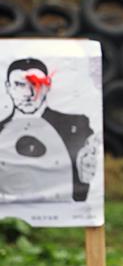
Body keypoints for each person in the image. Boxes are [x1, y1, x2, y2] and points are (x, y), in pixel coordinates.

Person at [0, 58, 98, 202]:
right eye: (20, 85)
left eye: (36, 84)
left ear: (48, 86)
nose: (29, 94)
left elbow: (87, 179)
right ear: (8, 87)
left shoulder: (76, 125)